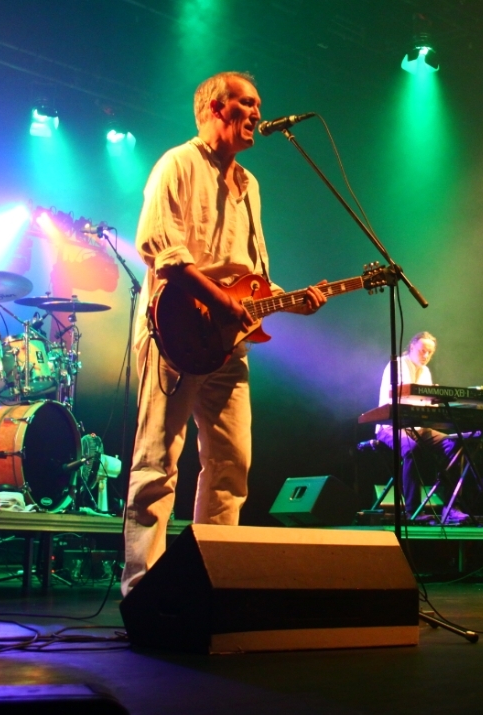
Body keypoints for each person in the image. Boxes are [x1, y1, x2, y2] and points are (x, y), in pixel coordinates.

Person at [122, 71, 327, 595]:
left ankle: (206, 585)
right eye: (249, 103)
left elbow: (247, 275)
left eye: (259, 104)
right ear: (217, 107)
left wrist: (291, 300)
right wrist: (219, 301)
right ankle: (144, 591)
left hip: (227, 343)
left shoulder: (249, 184)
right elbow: (157, 246)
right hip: (175, 332)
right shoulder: (177, 163)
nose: (259, 113)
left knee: (231, 464)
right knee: (158, 463)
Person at [376, 332, 467, 523]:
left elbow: (426, 405)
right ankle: (412, 512)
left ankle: (451, 508)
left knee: (455, 444)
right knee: (411, 447)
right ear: (411, 348)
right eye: (422, 351)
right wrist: (429, 397)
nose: (426, 356)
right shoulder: (398, 365)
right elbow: (405, 398)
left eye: (430, 353)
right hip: (390, 427)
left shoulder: (425, 372)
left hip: (418, 427)